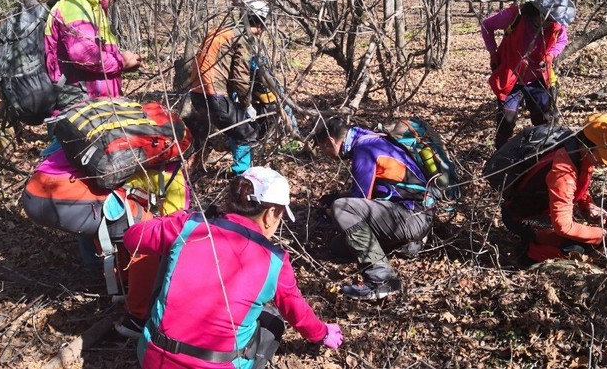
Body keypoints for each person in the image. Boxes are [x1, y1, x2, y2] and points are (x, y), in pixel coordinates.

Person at [123, 167, 343, 368]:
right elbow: (297, 311)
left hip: (153, 357)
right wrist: (322, 333)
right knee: (272, 319)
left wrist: (182, 217)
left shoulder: (190, 226)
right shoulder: (275, 260)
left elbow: (133, 239)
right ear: (270, 215)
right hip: (216, 364)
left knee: (170, 253)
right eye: (280, 216)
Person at [21, 148, 191, 337]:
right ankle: (137, 319)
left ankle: (121, 288)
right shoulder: (170, 168)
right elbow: (173, 227)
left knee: (114, 220)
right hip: (67, 198)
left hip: (35, 190)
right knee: (146, 235)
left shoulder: (117, 136)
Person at [313, 118, 435, 300]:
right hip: (417, 213)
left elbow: (359, 199)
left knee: (342, 208)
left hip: (412, 216)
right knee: (338, 247)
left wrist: (331, 210)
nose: (326, 154)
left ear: (331, 141)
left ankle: (382, 280)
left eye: (324, 148)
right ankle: (405, 245)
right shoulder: (371, 138)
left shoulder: (365, 150)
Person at [496, 112, 607, 264]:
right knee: (574, 249)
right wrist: (605, 234)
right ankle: (528, 255)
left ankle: (539, 243)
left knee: (588, 241)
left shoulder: (577, 151)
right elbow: (563, 227)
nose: (604, 163)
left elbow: (579, 185)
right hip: (522, 217)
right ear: (589, 146)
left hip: (545, 212)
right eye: (602, 156)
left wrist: (588, 206)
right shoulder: (563, 171)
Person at [41, 0, 142, 112]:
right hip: (78, 107)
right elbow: (84, 55)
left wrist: (122, 64)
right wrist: (122, 61)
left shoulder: (89, 9)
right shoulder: (75, 6)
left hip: (94, 104)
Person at [481, 0, 575, 148]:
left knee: (543, 119)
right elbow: (486, 25)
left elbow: (562, 40)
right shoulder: (516, 15)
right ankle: (500, 153)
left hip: (537, 78)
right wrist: (492, 52)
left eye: (553, 20)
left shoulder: (557, 24)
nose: (551, 23)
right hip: (510, 76)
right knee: (507, 119)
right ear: (539, 11)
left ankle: (541, 150)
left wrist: (551, 55)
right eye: (548, 19)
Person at [187, 0, 272, 176]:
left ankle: (194, 164)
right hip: (214, 94)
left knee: (233, 128)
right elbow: (240, 77)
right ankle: (243, 177)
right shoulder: (243, 37)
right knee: (247, 133)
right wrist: (248, 103)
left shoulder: (222, 31)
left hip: (197, 94)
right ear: (261, 23)